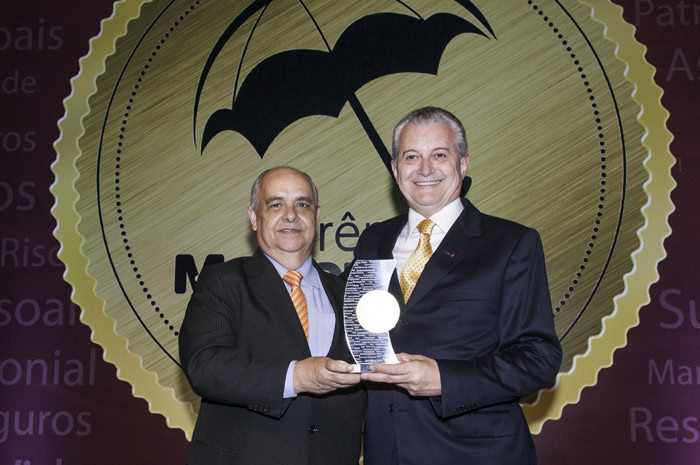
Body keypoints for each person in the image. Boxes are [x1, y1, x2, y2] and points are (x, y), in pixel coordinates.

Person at [353, 107, 562, 465]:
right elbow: (364, 341)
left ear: (463, 163)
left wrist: (444, 379)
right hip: (388, 452)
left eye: (439, 155)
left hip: (476, 454)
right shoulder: (373, 241)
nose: (425, 169)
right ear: (395, 169)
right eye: (411, 157)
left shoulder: (511, 243)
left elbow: (538, 360)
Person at [179, 166, 365, 465]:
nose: (291, 215)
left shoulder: (350, 294)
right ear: (254, 217)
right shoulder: (224, 281)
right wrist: (296, 377)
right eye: (276, 204)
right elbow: (205, 366)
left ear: (316, 215)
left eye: (302, 204)